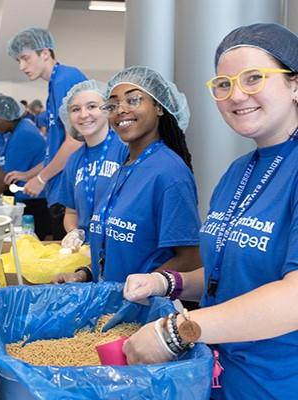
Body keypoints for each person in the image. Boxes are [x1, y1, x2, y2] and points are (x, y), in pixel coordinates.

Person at [121, 23, 298, 400]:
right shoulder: (238, 171)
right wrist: (168, 283)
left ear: (294, 84)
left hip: (277, 383)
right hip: (216, 376)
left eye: (254, 78)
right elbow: (232, 270)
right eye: (223, 84)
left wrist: (178, 329)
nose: (237, 95)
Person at [56, 66, 201, 284]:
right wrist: (84, 274)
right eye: (113, 104)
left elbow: (190, 258)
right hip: (112, 304)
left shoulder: (169, 173)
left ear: (159, 107)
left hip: (142, 310)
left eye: (133, 100)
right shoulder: (125, 167)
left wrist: (139, 290)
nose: (121, 109)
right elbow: (123, 251)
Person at [4, 27, 87, 240]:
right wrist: (28, 175)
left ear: (45, 53)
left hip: (69, 190)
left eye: (25, 58)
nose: (22, 67)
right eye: (18, 61)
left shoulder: (65, 79)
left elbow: (76, 141)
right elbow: (56, 149)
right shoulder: (54, 84)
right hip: (59, 187)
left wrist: (40, 179)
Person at [56, 80, 128, 253]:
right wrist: (74, 232)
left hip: (121, 252)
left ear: (108, 110)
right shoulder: (74, 160)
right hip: (86, 255)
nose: (83, 115)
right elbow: (71, 212)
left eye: (92, 106)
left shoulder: (126, 150)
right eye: (75, 109)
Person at [0, 94, 50, 239]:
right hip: (28, 194)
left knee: (34, 241)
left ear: (8, 118)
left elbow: (6, 177)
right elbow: (2, 167)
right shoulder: (15, 130)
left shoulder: (23, 134)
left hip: (36, 197)